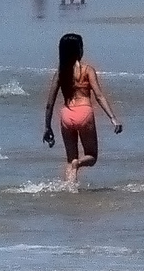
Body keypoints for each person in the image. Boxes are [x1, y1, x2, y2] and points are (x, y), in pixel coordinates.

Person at [41, 32, 122, 186]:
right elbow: (99, 96)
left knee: (70, 159)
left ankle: (70, 189)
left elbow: (49, 103)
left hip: (66, 115)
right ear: (79, 50)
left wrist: (47, 126)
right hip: (84, 112)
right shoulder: (87, 70)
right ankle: (78, 164)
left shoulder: (60, 73)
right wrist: (113, 118)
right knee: (91, 156)